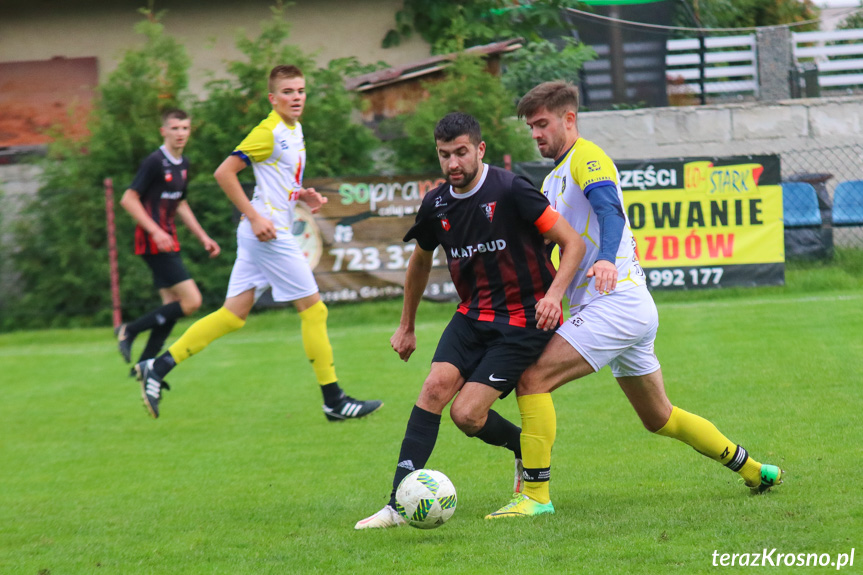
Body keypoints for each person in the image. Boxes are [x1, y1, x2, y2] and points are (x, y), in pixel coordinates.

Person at [486, 81, 783, 519]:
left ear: (569, 119)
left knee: (533, 381)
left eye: (542, 123)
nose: (535, 133)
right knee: (659, 417)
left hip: (616, 305)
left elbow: (610, 210)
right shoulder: (553, 178)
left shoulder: (588, 157)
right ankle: (755, 470)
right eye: (531, 126)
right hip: (628, 309)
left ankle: (535, 497)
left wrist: (606, 259)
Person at [354, 112, 585, 529]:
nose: (453, 164)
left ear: (479, 149)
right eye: (444, 155)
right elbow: (419, 262)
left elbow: (572, 242)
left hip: (521, 321)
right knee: (433, 388)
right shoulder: (436, 204)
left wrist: (554, 296)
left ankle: (522, 447)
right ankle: (397, 505)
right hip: (471, 315)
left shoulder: (512, 190)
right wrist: (406, 325)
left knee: (466, 415)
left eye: (461, 152)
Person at [131, 65, 382, 421]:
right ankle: (334, 400)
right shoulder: (269, 131)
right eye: (288, 92)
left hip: (262, 230)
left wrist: (301, 194)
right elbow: (224, 172)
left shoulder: (295, 131)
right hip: (268, 233)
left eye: (300, 91)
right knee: (314, 310)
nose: (296, 97)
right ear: (272, 98)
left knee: (232, 315)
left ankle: (158, 367)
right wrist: (254, 215)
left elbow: (277, 181)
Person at [116, 109, 220, 369]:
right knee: (192, 301)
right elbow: (128, 199)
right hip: (154, 240)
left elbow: (181, 204)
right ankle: (129, 330)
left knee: (171, 305)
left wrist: (203, 237)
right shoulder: (154, 161)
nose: (180, 133)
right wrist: (156, 231)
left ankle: (144, 365)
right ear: (163, 131)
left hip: (168, 238)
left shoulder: (184, 163)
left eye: (185, 128)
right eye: (175, 128)